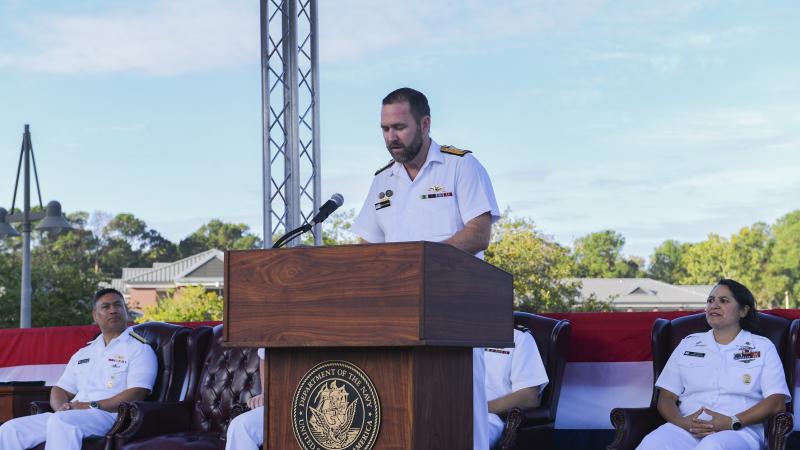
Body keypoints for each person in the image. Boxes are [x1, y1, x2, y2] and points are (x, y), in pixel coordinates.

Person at [351, 87, 501, 450]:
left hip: (453, 312)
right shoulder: (382, 180)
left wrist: (423, 265)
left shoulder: (460, 165)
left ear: (425, 123)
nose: (391, 138)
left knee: (462, 416)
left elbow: (478, 233)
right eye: (385, 129)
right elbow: (367, 246)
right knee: (399, 414)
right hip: (396, 318)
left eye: (399, 127)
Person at [637, 279, 790, 450]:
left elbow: (776, 402)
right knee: (652, 443)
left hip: (739, 430)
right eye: (710, 300)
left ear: (743, 310)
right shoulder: (688, 344)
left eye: (723, 301)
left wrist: (731, 421)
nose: (714, 305)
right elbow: (666, 397)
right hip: (688, 427)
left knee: (712, 446)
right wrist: (681, 422)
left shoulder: (763, 347)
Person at [0, 288, 157, 450]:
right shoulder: (84, 353)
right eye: (106, 307)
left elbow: (137, 392)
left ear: (126, 311)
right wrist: (62, 407)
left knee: (62, 422)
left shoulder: (139, 348)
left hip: (110, 415)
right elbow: (60, 389)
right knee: (10, 429)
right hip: (73, 414)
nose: (113, 310)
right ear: (95, 316)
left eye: (118, 305)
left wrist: (91, 405)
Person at [484, 326, 549, 447]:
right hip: (443, 412)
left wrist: (478, 409)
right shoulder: (448, 335)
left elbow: (529, 398)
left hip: (488, 417)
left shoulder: (518, 338)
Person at [225, 348, 266, 450]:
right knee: (240, 426)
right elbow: (264, 355)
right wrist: (266, 393)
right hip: (279, 403)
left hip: (308, 400)